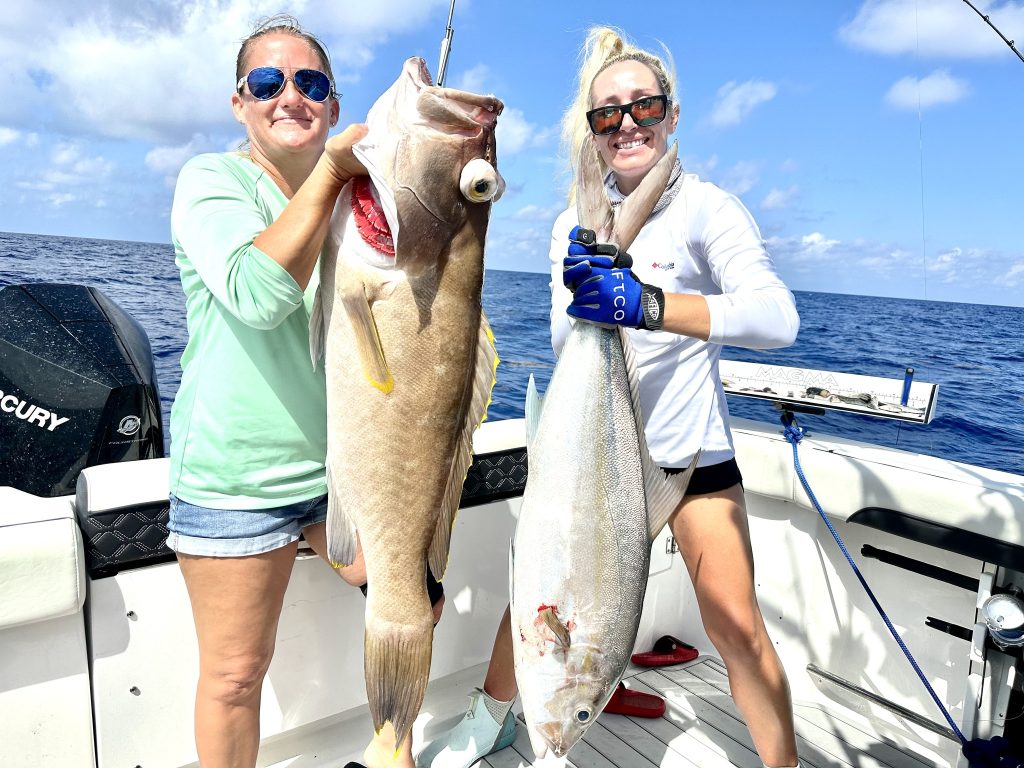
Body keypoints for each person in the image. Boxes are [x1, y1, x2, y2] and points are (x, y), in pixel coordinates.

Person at [416, 25, 802, 768]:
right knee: (545, 596)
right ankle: (490, 720)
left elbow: (777, 318)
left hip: (687, 461)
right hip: (594, 455)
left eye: (644, 108)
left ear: (672, 114)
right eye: (607, 114)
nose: (627, 123)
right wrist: (593, 304)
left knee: (735, 624)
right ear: (592, 132)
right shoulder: (573, 222)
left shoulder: (708, 211)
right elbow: (571, 346)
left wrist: (645, 304)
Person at [167, 15, 442, 768]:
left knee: (417, 596)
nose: (289, 96)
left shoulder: (360, 199)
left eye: (310, 83)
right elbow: (258, 294)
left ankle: (394, 754)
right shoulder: (211, 182)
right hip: (238, 475)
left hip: (338, 475)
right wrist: (331, 173)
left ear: (332, 99)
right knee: (234, 675)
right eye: (267, 82)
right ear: (240, 102)